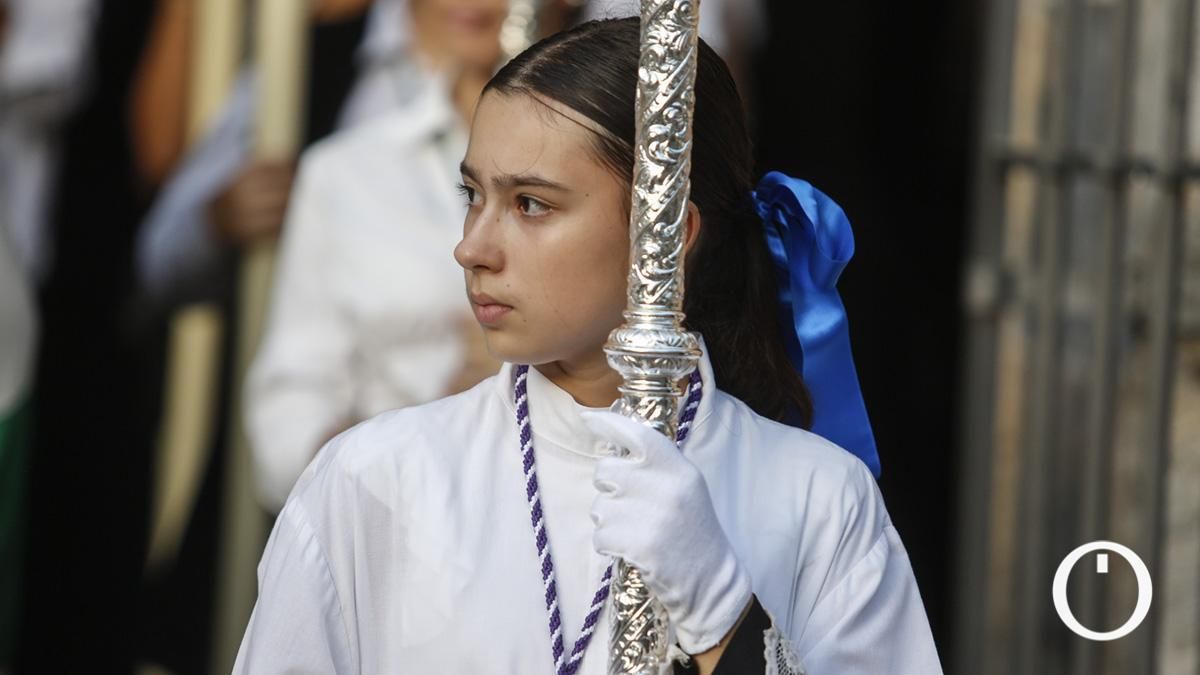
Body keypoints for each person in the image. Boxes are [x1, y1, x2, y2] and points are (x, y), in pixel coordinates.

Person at [234, 17, 942, 675]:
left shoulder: (819, 499)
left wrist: (722, 614)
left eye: (530, 204)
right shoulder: (372, 481)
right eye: (472, 195)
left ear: (666, 236)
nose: (471, 247)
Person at [244, 0, 509, 512]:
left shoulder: (616, 170)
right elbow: (288, 411)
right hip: (385, 518)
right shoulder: (345, 170)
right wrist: (407, 449)